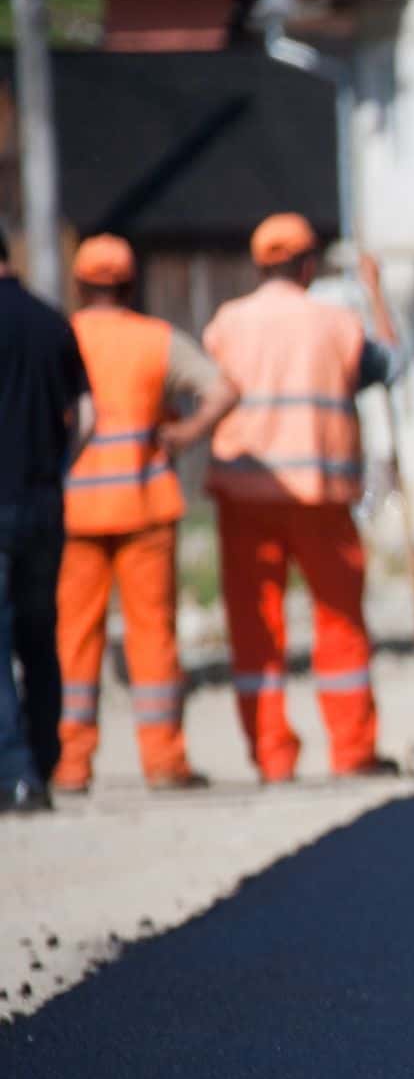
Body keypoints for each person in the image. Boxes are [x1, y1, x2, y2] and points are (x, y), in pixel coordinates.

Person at [201, 214, 402, 783]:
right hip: (321, 497)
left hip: (243, 495)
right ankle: (353, 751)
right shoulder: (337, 323)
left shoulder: (227, 323)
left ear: (260, 264)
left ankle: (271, 757)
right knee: (339, 622)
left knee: (254, 627)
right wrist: (376, 292)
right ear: (309, 265)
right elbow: (392, 366)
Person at [54, 234, 240, 795]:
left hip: (76, 509)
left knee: (75, 638)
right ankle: (163, 761)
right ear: (130, 284)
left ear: (80, 284)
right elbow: (223, 389)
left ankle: (70, 763)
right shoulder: (156, 340)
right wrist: (184, 434)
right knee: (152, 636)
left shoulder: (65, 338)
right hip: (145, 505)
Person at [0, 235, 94, 816]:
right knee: (39, 637)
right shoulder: (51, 322)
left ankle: (16, 773)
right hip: (43, 501)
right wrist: (59, 469)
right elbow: (86, 416)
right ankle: (45, 758)